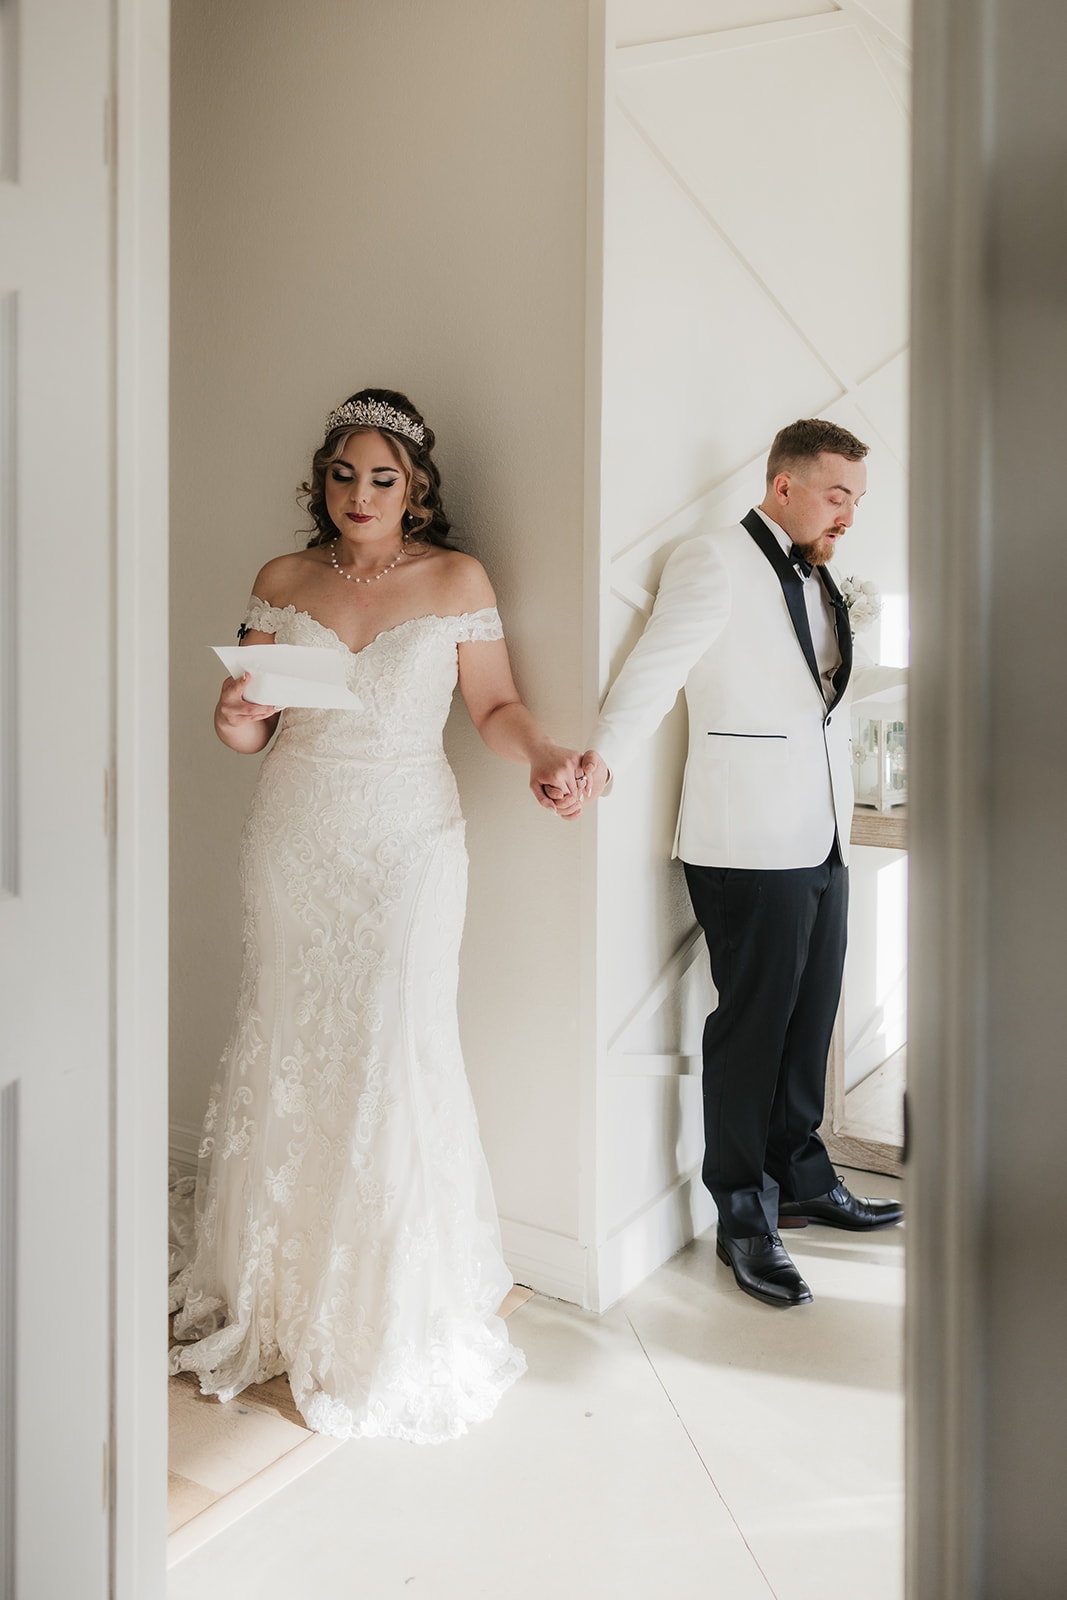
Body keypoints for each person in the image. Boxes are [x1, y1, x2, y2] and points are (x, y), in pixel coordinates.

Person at [170, 388, 582, 1439]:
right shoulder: (282, 578)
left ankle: (387, 1303)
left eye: (382, 477)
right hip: (294, 835)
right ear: (323, 480)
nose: (359, 493)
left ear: (417, 490)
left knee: (391, 1046)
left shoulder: (455, 580)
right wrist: (234, 712)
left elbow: (492, 708)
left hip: (405, 844)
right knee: (292, 1042)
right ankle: (281, 1285)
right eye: (344, 474)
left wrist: (542, 757)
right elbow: (248, 729)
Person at [568, 418, 904, 1308]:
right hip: (744, 839)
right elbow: (654, 667)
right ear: (784, 484)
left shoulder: (823, 574)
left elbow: (817, 700)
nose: (848, 514)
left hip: (824, 833)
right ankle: (742, 1215)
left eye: (857, 500)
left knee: (813, 1012)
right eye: (837, 495)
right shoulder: (711, 559)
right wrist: (603, 754)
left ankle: (800, 1171)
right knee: (752, 1029)